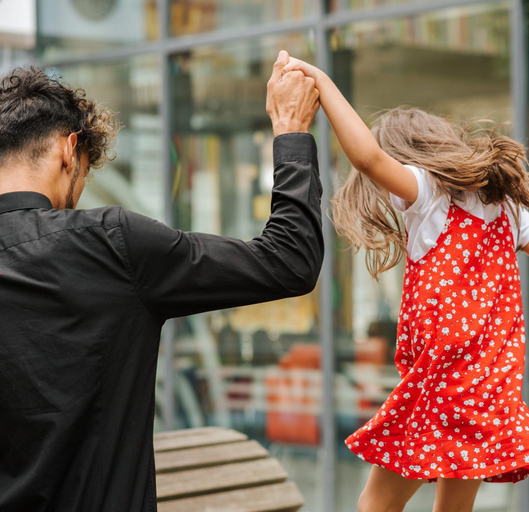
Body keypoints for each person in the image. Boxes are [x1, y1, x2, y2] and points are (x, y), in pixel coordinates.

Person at [0, 52, 322, 512]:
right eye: (86, 174)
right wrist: (291, 131)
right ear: (68, 151)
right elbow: (288, 260)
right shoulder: (111, 244)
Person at [281, 56, 529, 512]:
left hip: (439, 386)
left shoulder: (429, 195)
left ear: (408, 157)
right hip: (487, 392)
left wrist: (322, 82)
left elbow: (366, 157)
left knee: (375, 505)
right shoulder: (507, 211)